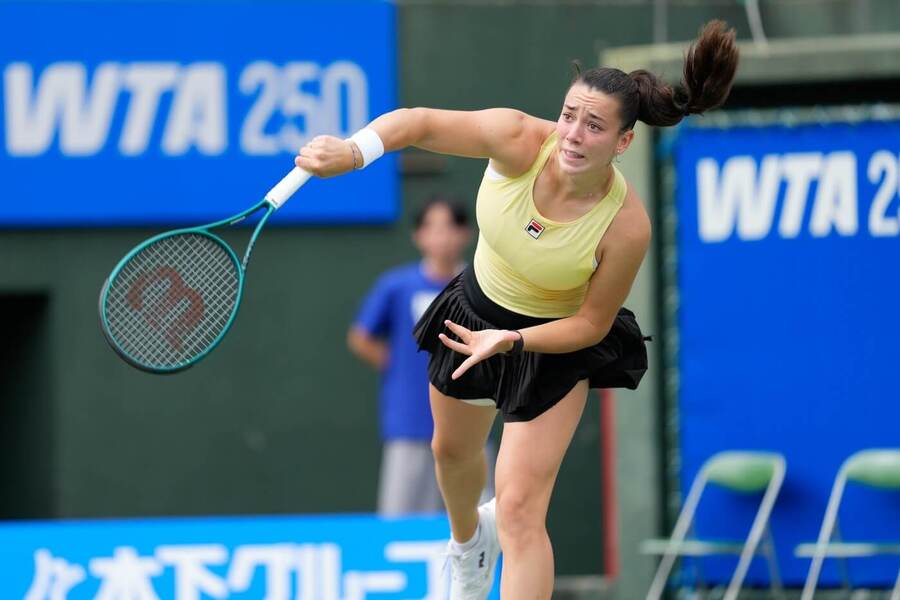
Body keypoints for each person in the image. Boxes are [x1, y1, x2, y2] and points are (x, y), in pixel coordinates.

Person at [297, 20, 738, 600]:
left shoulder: (627, 227)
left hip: (551, 347)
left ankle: (493, 540)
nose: (574, 135)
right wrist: (355, 151)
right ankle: (467, 545)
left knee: (522, 512)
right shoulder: (517, 138)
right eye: (569, 116)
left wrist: (516, 341)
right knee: (450, 455)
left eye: (595, 126)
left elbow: (591, 324)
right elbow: (419, 123)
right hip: (472, 315)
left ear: (624, 142)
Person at [348, 197, 494, 516]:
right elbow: (361, 337)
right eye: (432, 228)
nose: (442, 237)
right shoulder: (396, 286)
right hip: (409, 423)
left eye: (450, 227)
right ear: (419, 236)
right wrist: (397, 365)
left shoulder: (485, 286)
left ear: (466, 234)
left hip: (472, 421)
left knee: (480, 517)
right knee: (401, 519)